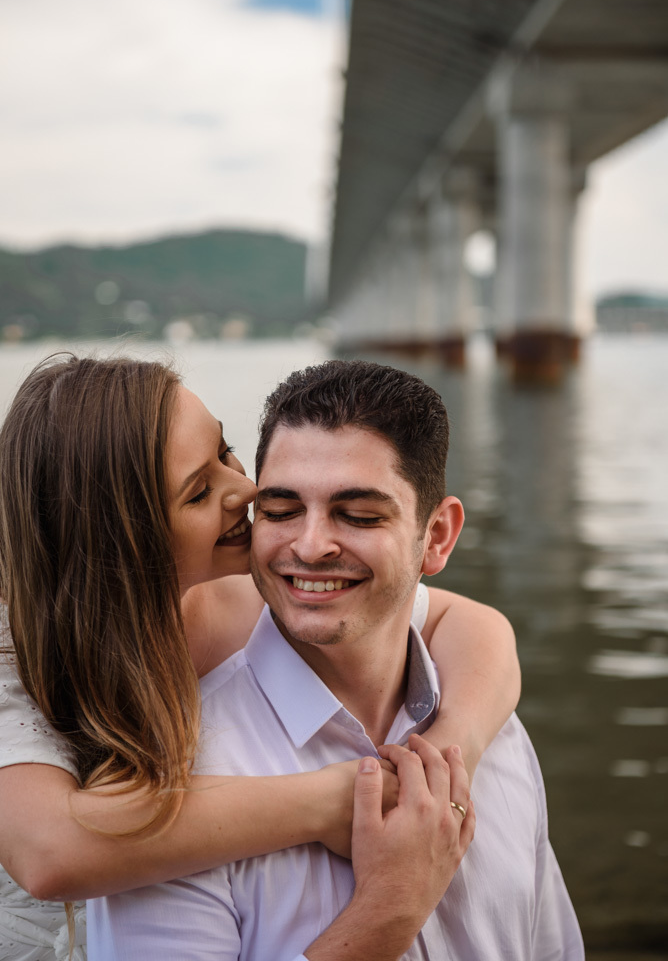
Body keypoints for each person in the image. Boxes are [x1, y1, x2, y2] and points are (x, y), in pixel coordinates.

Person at [0, 353, 520, 961]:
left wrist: (438, 767)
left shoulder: (245, 592)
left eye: (224, 452)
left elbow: (475, 625)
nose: (245, 489)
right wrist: (336, 800)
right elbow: (49, 853)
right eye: (199, 492)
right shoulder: (16, 649)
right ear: (125, 538)